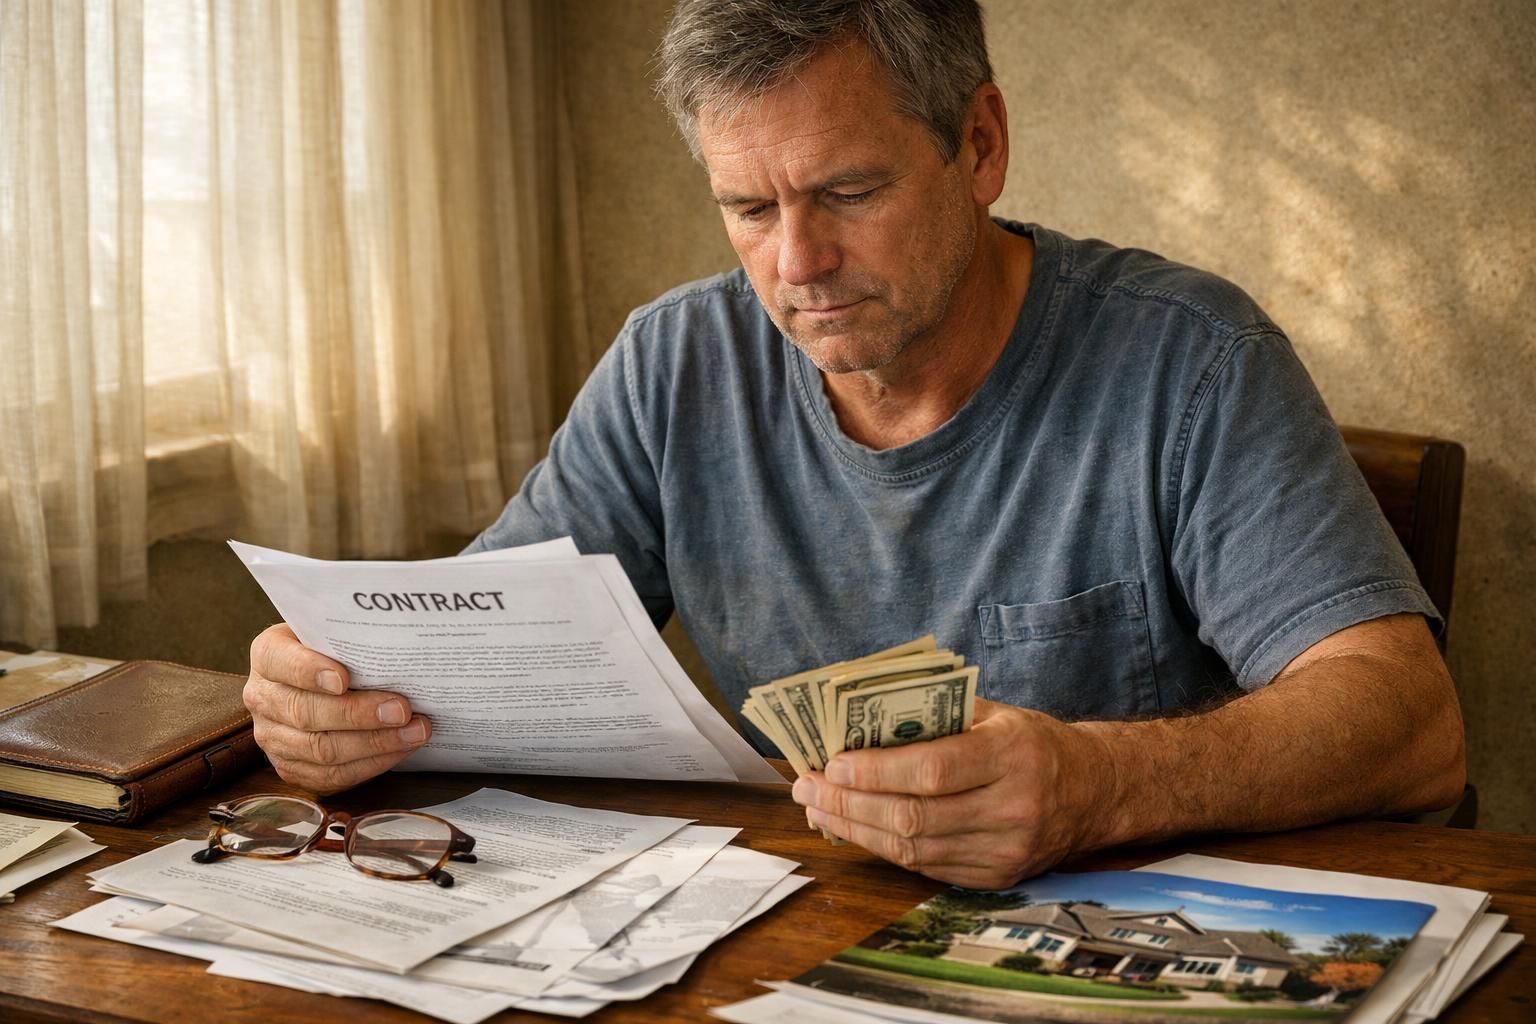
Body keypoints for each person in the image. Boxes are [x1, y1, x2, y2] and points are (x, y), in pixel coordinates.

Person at [243, 0, 1465, 889]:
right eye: (749, 209)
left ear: (978, 145)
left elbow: (1413, 725)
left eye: (847, 193)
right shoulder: (676, 362)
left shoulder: (1189, 359)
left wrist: (1100, 782)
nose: (797, 265)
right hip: (791, 939)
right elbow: (467, 649)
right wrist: (336, 695)